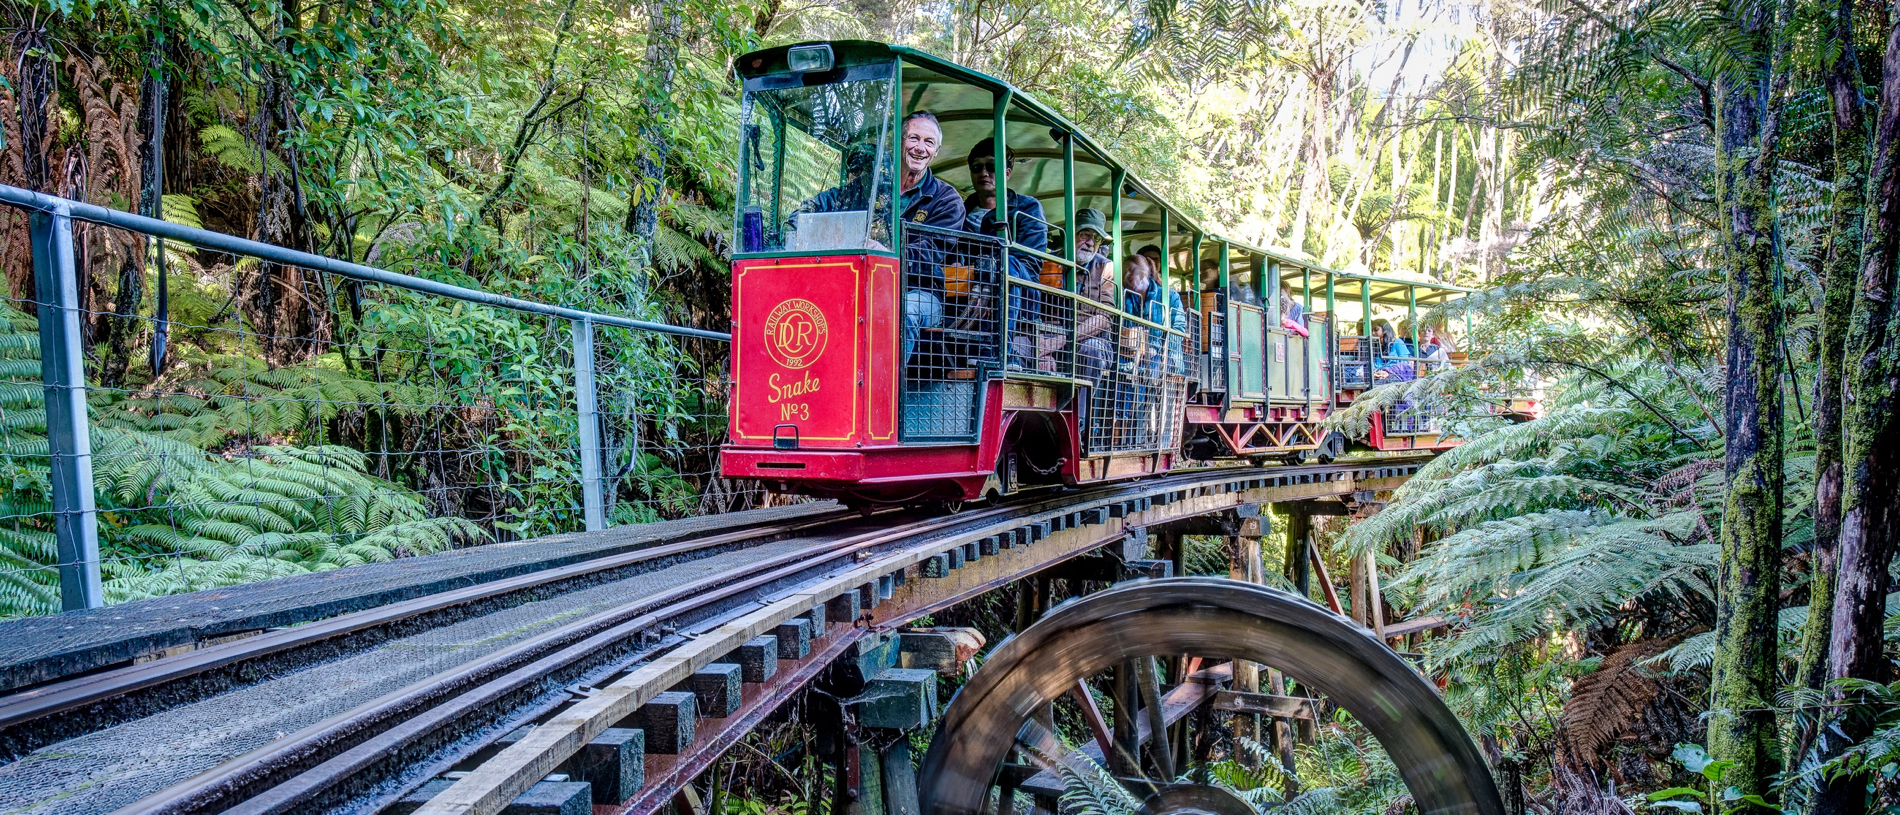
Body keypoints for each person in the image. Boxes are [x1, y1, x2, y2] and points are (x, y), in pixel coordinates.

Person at [962, 137, 1050, 369]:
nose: (984, 173)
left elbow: (1030, 262)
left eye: (992, 167)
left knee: (1002, 264)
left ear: (1007, 173)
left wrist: (990, 268)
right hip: (967, 287)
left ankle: (999, 351)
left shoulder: (1027, 208)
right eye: (977, 167)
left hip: (1019, 289)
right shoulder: (961, 209)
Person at [893, 111, 966, 367]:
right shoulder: (877, 184)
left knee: (905, 310)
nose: (920, 148)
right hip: (867, 282)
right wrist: (802, 216)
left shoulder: (947, 200)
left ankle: (883, 399)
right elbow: (834, 200)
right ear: (900, 141)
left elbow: (930, 251)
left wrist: (888, 252)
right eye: (914, 138)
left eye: (929, 142)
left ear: (936, 151)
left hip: (921, 292)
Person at [1072, 208, 1118, 385]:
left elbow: (1104, 317)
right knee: (1020, 345)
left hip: (1089, 338)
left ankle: (1081, 412)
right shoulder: (1049, 260)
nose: (1091, 243)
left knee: (1092, 349)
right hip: (1048, 335)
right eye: (1085, 235)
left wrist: (1061, 341)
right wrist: (1043, 349)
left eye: (1097, 239)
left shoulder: (1105, 267)